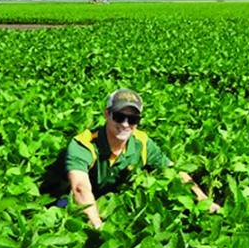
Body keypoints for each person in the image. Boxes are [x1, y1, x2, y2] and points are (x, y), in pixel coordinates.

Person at [65, 89, 219, 228]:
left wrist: (204, 200)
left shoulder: (142, 143)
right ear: (107, 114)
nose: (125, 124)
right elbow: (80, 187)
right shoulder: (84, 143)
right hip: (72, 202)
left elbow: (173, 172)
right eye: (119, 116)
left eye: (132, 119)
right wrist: (97, 226)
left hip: (112, 204)